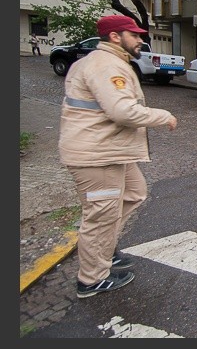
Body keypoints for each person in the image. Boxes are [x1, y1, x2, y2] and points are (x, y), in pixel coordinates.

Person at [59, 15, 178, 298]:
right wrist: (164, 116)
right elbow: (122, 111)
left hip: (108, 151)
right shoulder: (106, 64)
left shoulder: (104, 62)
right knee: (99, 216)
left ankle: (104, 250)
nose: (140, 40)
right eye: (134, 35)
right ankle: (91, 279)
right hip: (97, 155)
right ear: (115, 37)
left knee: (134, 193)